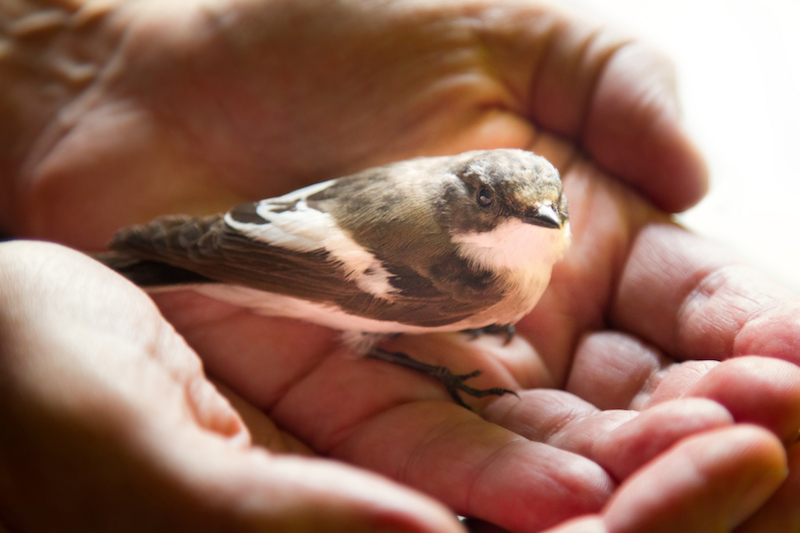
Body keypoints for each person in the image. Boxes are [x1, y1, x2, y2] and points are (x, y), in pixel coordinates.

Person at [1, 0, 798, 531]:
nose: (539, 223)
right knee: (371, 330)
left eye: (549, 211)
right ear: (465, 197)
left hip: (293, 216)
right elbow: (331, 266)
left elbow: (323, 205)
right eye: (502, 205)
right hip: (291, 266)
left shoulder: (516, 237)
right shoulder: (468, 270)